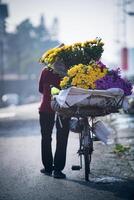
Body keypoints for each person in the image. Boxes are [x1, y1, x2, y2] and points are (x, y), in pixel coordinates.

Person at [38, 65, 70, 179]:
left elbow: (41, 89)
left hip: (46, 107)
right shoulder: (69, 71)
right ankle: (58, 170)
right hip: (64, 108)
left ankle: (47, 168)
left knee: (46, 137)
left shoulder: (46, 70)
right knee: (62, 137)